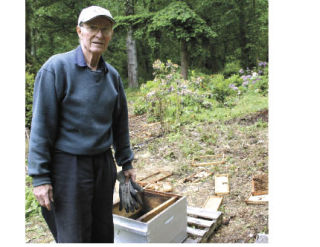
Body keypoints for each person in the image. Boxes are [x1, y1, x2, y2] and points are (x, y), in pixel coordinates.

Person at [28, 6, 138, 243]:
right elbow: (41, 127)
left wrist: (125, 161)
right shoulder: (56, 69)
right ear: (79, 31)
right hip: (68, 166)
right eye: (92, 28)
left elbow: (120, 124)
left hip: (103, 164)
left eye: (105, 29)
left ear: (111, 34)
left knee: (102, 231)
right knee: (73, 235)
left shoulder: (112, 76)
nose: (99, 34)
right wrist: (40, 178)